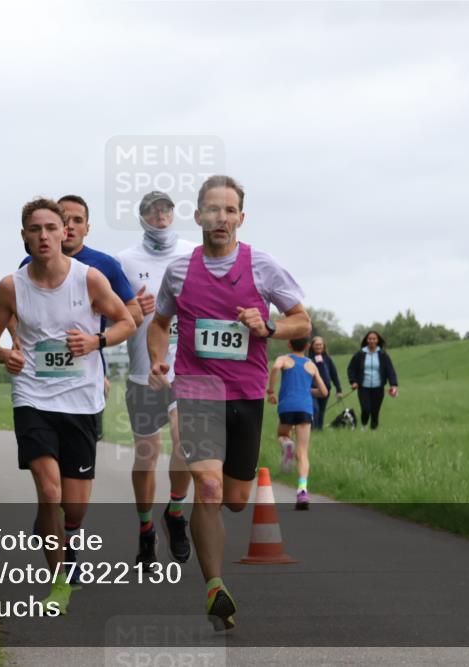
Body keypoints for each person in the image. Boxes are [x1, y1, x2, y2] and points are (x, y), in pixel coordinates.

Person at [149, 175, 311, 631]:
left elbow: (301, 322)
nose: (221, 218)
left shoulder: (262, 266)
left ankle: (186, 527)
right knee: (212, 489)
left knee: (237, 500)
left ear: (242, 217)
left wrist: (268, 327)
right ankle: (215, 586)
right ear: (198, 215)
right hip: (198, 389)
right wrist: (159, 361)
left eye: (229, 210)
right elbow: (159, 324)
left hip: (247, 393)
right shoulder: (180, 270)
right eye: (212, 209)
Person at [0, 197, 136, 614]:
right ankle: (60, 582)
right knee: (49, 493)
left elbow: (127, 321)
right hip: (32, 396)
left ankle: (58, 527)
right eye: (36, 229)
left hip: (82, 400)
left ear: (65, 231)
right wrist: (4, 355)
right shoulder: (11, 286)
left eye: (52, 227)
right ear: (25, 236)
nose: (45, 235)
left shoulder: (89, 279)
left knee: (75, 506)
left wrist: (96, 341)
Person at [18, 194, 145, 442]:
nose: (72, 225)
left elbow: (133, 315)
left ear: (86, 228)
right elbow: (17, 312)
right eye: (67, 219)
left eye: (78, 220)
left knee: (78, 462)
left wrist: (96, 335)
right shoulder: (29, 264)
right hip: (38, 380)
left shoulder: (103, 266)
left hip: (85, 371)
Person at [117, 191, 197, 566]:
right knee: (147, 455)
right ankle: (146, 528)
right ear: (142, 217)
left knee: (187, 443)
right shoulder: (125, 261)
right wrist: (133, 308)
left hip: (187, 367)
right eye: (153, 210)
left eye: (166, 209)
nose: (161, 216)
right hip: (141, 372)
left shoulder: (195, 253)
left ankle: (176, 513)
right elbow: (112, 315)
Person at [267, 338, 327, 510]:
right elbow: (323, 391)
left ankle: (286, 444)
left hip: (287, 407)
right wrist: (306, 390)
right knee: (302, 453)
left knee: (282, 434)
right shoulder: (311, 364)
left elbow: (276, 367)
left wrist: (271, 391)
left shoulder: (284, 359)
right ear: (307, 346)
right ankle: (302, 491)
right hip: (305, 409)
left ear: (289, 344)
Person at [346, 330, 399, 430]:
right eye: (370, 339)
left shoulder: (383, 355)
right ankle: (364, 425)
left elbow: (390, 370)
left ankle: (374, 430)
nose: (372, 341)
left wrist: (393, 384)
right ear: (367, 340)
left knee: (375, 410)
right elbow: (351, 368)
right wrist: (353, 381)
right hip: (363, 387)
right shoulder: (360, 354)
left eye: (374, 339)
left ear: (377, 340)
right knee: (366, 409)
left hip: (378, 387)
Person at [309, 336, 343, 430]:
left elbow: (334, 374)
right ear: (312, 346)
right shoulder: (308, 359)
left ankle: (319, 430)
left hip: (326, 390)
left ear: (324, 346)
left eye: (320, 344)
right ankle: (313, 429)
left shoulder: (327, 358)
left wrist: (339, 389)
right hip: (313, 390)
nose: (319, 346)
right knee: (315, 409)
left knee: (322, 411)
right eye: (316, 345)